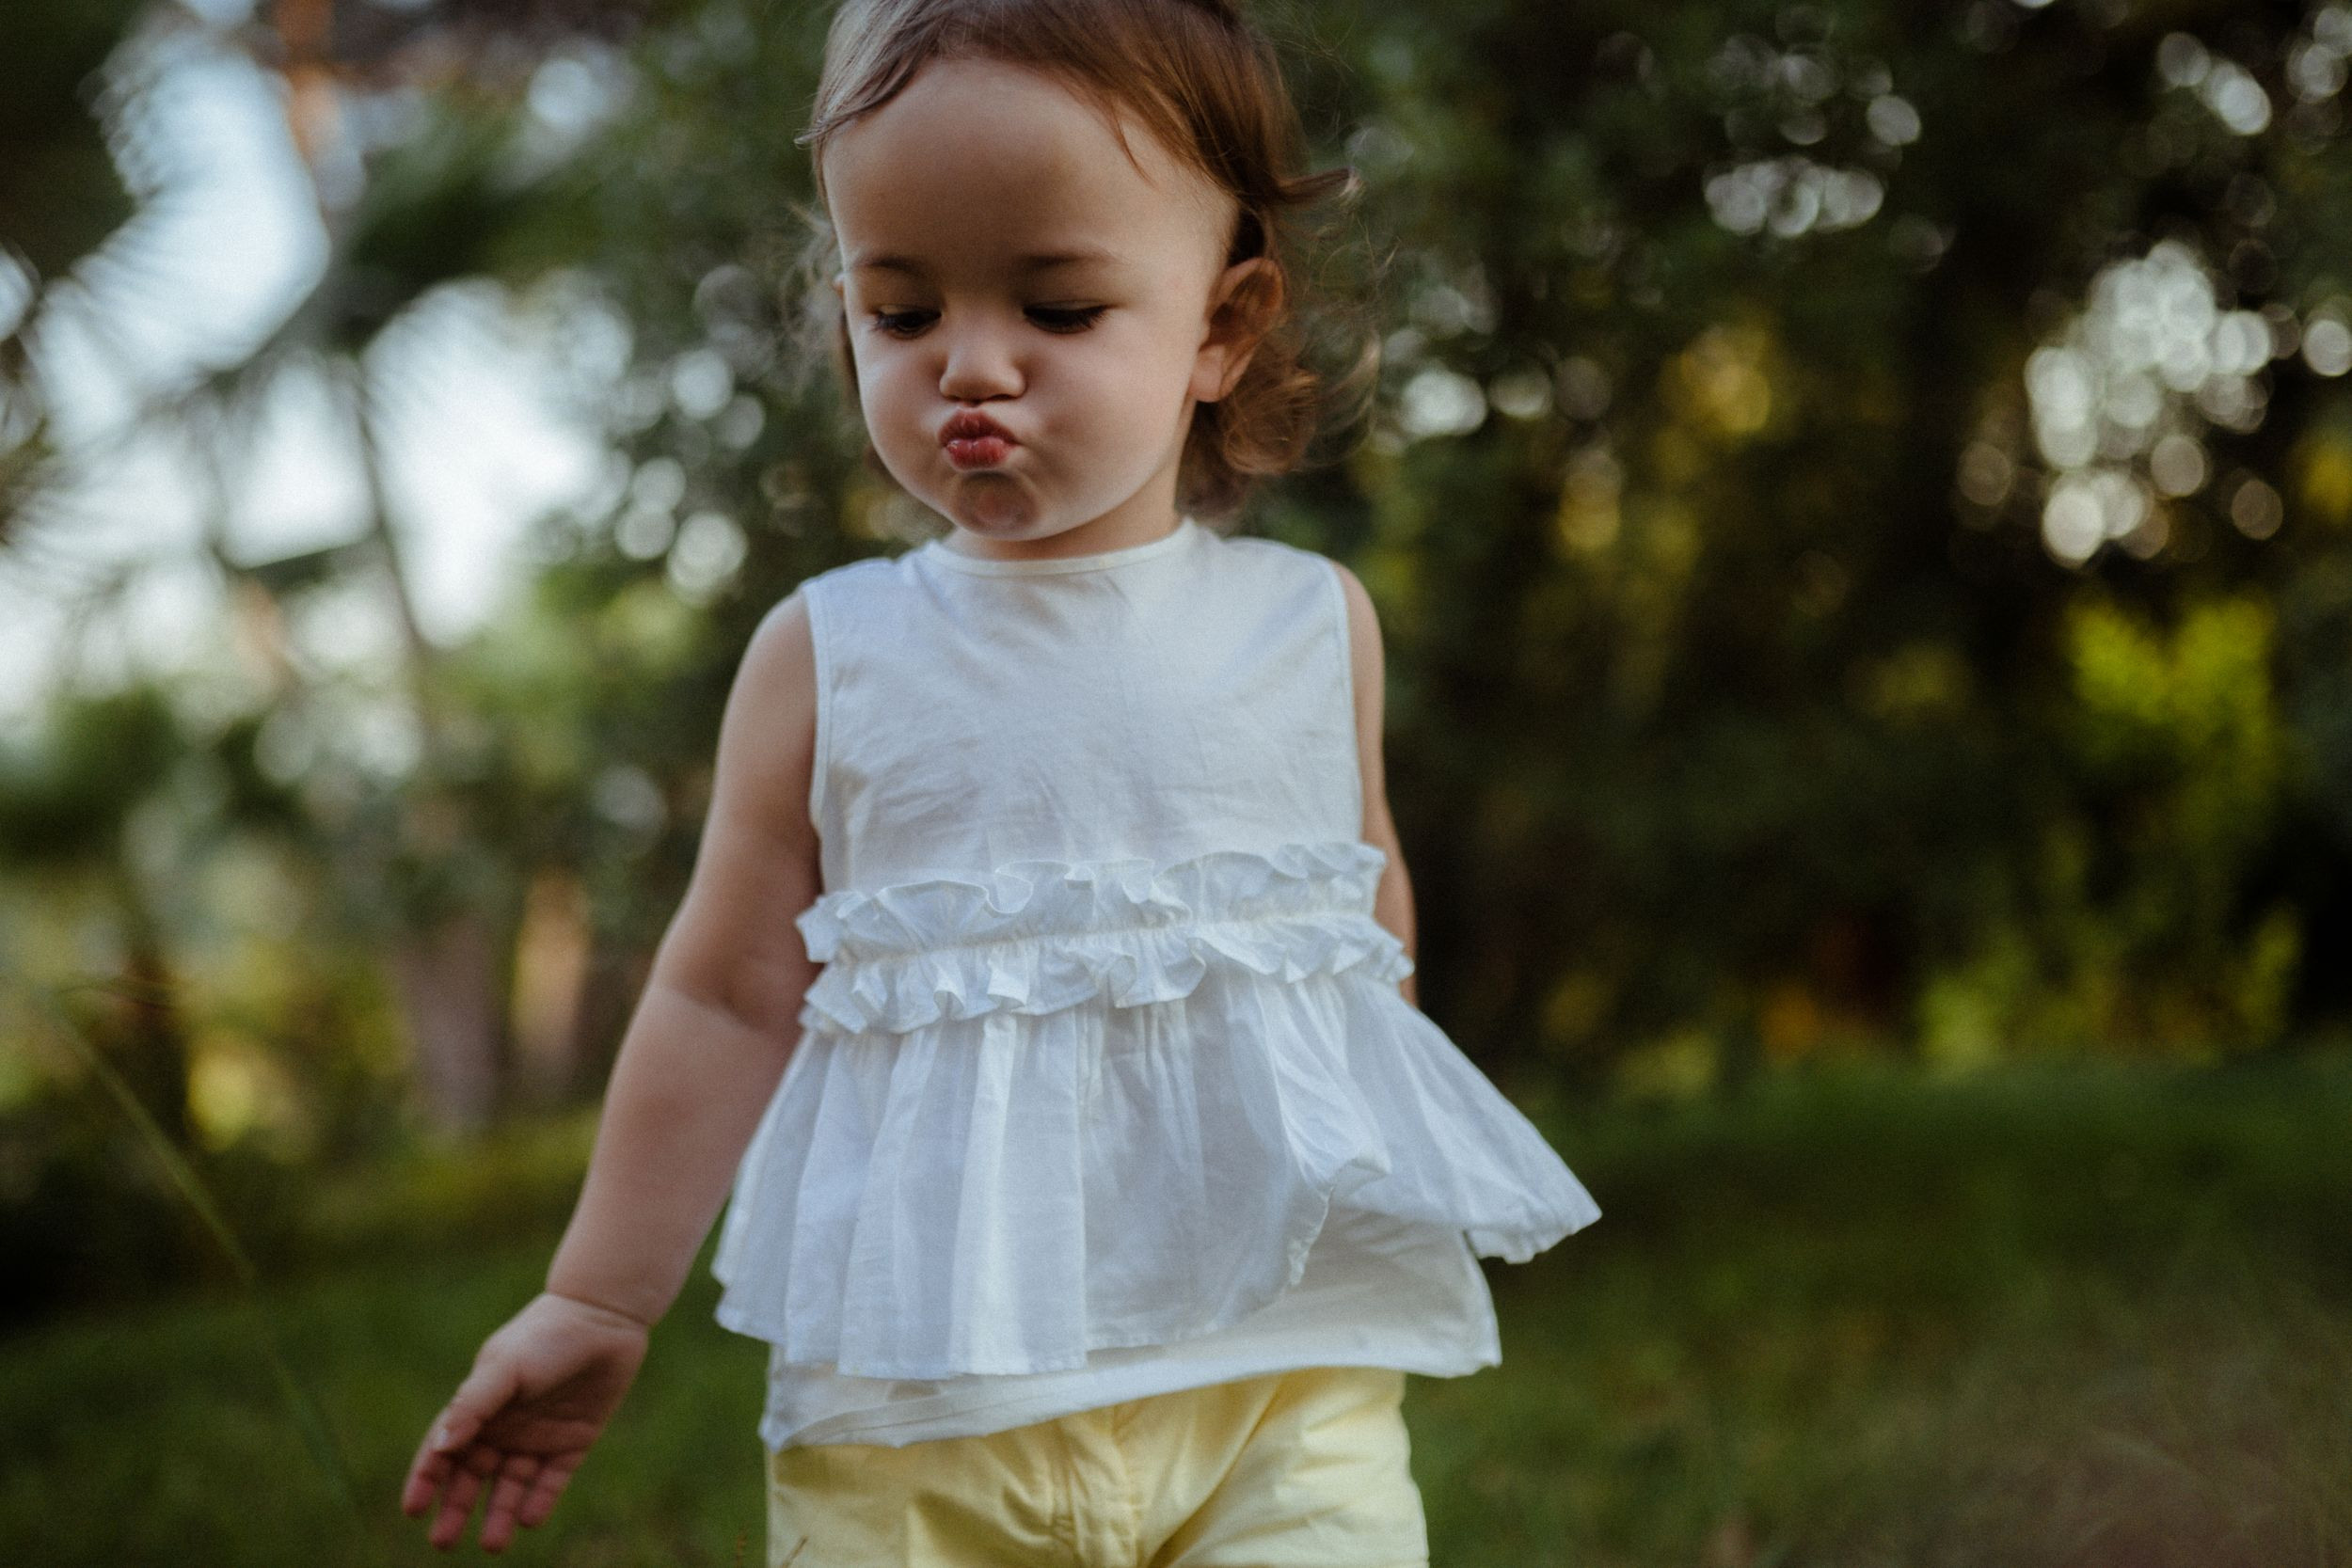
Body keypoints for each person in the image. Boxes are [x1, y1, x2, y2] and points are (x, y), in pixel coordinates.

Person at [400, 0, 1601, 1561]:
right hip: (916, 1423)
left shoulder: (1311, 628)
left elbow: (1366, 919)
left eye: (1059, 306)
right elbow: (723, 993)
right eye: (900, 314)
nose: (970, 364)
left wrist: (1389, 1160)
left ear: (1221, 330)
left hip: (1273, 1385)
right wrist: (596, 1293)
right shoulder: (828, 656)